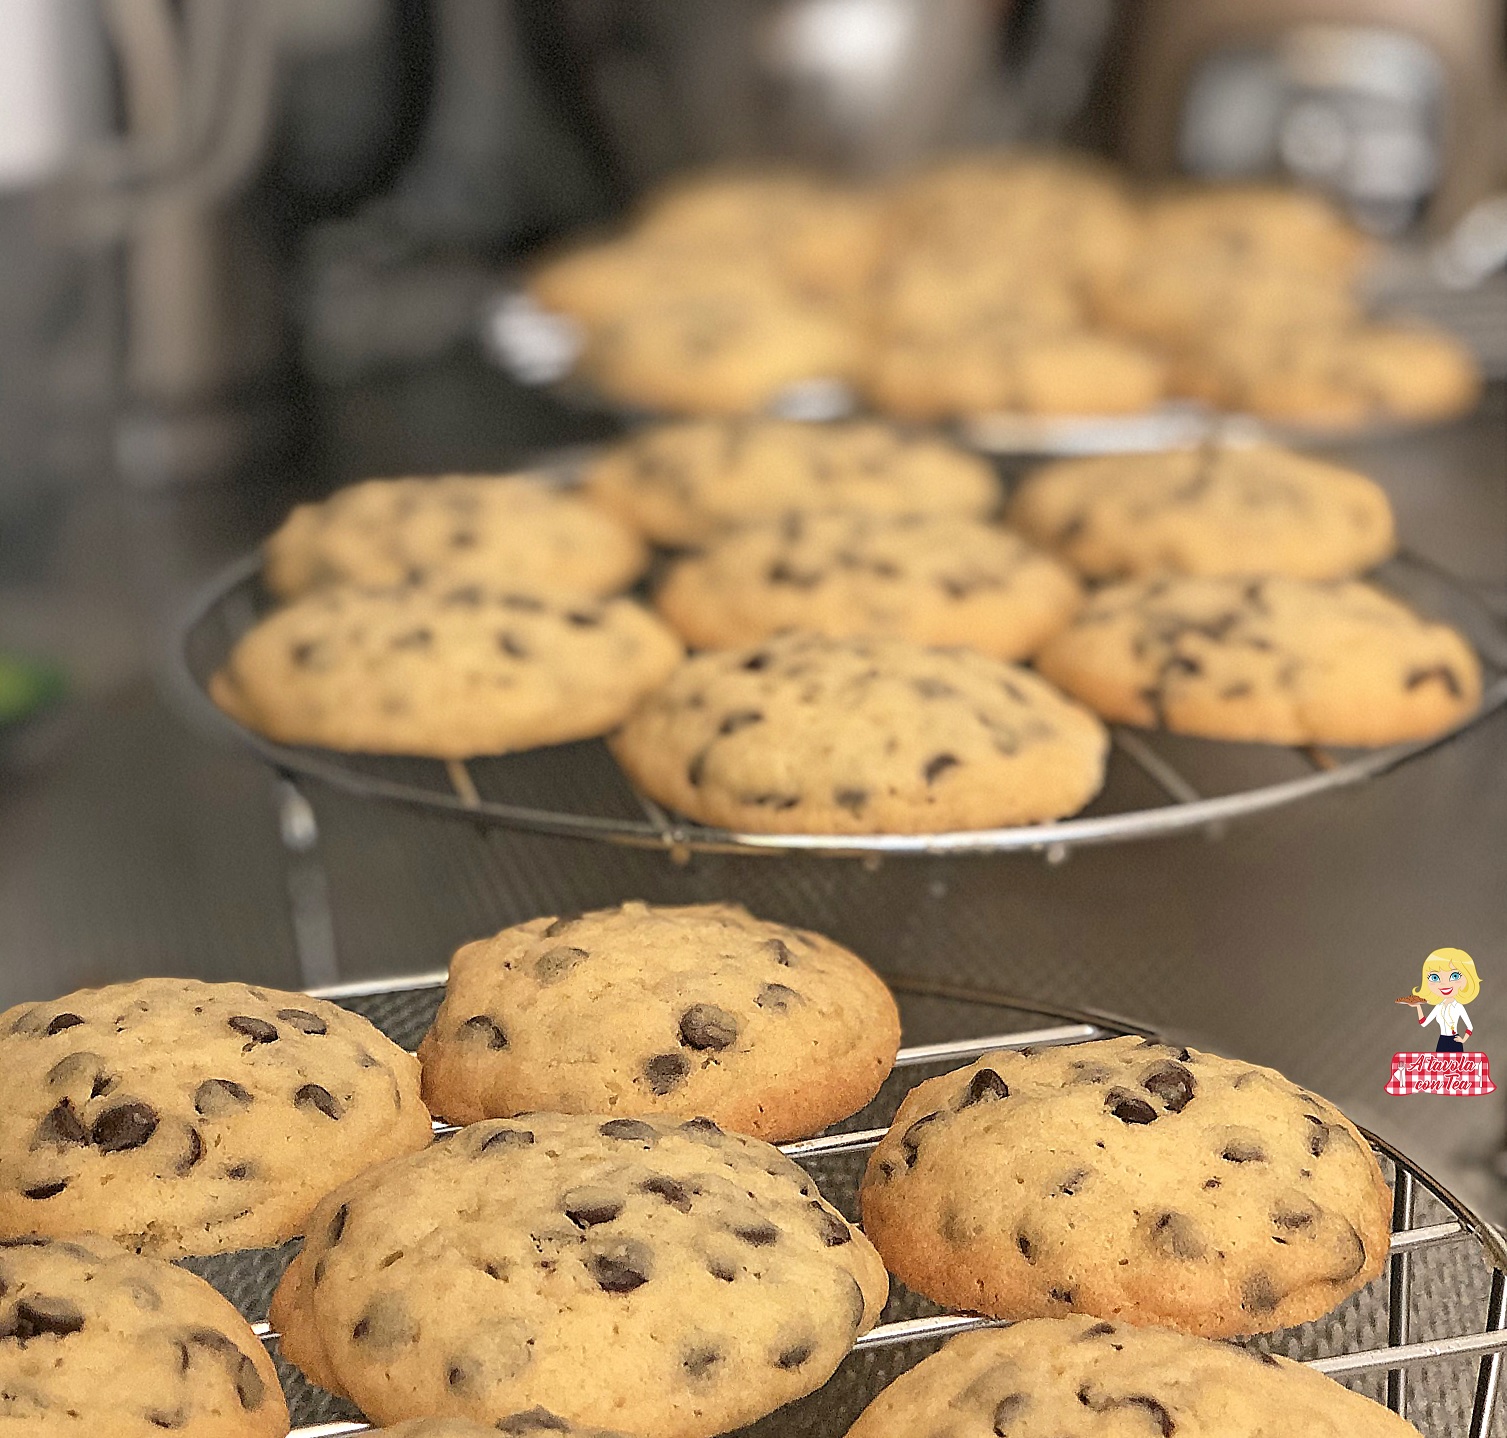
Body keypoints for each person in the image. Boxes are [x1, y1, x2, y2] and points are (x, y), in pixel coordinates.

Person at [1402, 947, 1480, 1052]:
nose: (1444, 984)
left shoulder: (1458, 1006)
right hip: (1442, 1041)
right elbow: (1424, 1023)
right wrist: (1418, 1006)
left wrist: (1463, 1040)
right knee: (1439, 1063)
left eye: (1455, 976)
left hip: (1455, 1041)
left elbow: (1470, 1027)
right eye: (1435, 977)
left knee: (1456, 1063)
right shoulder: (1439, 1007)